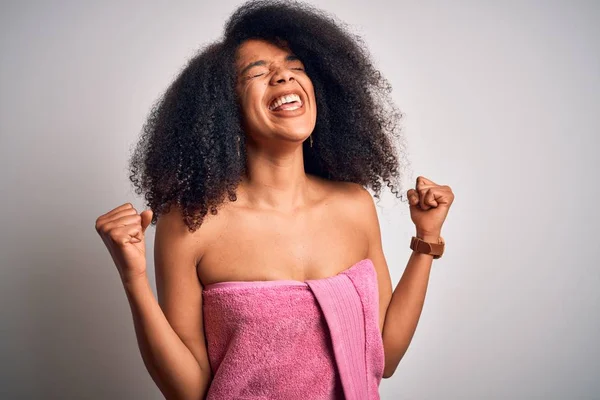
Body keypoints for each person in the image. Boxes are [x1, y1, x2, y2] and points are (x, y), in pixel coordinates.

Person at [95, 0, 454, 398]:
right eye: (258, 73)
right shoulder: (192, 223)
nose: (284, 78)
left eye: (295, 67)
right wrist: (134, 279)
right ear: (224, 110)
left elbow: (384, 356)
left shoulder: (354, 205)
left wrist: (426, 240)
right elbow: (188, 391)